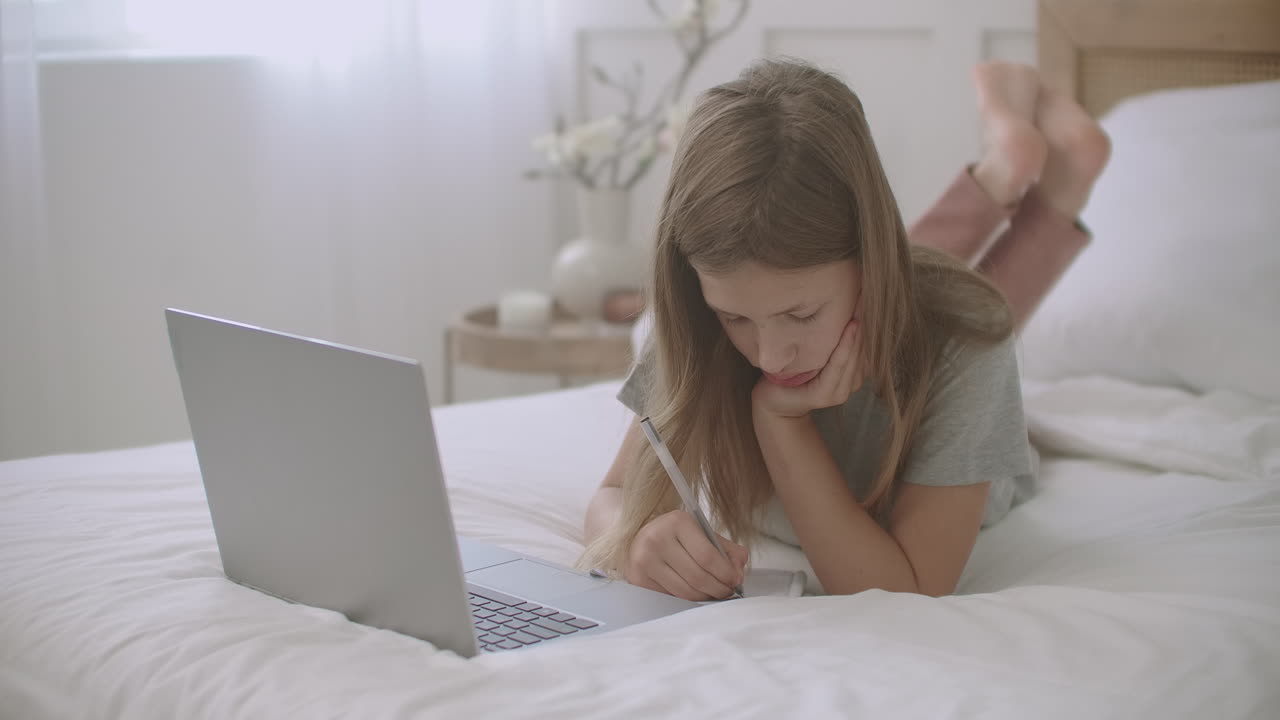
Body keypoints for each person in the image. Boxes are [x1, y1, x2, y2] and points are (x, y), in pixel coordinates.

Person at [579, 59, 1110, 601]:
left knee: (952, 314)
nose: (771, 357)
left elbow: (905, 592)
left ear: (868, 259)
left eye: (800, 316)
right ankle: (1007, 173)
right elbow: (615, 495)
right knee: (923, 296)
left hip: (942, 374)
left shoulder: (965, 346)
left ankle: (1021, 176)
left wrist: (781, 422)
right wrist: (635, 541)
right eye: (735, 317)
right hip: (882, 291)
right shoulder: (699, 319)